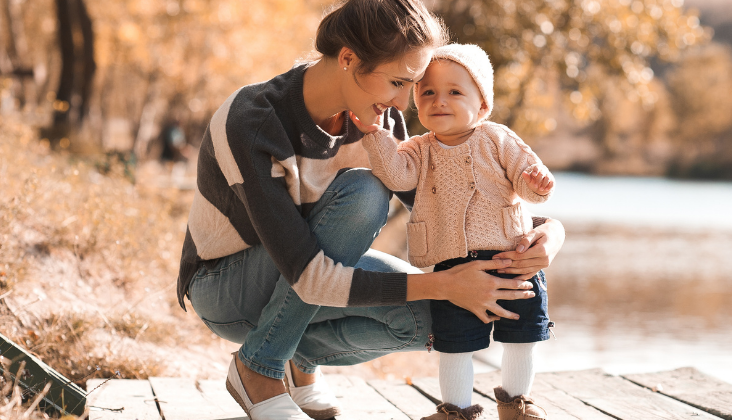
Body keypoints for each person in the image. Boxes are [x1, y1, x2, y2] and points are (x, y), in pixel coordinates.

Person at [176, 1, 566, 419]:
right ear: (348, 58)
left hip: (301, 279)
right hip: (225, 287)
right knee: (365, 193)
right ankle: (260, 366)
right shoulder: (253, 120)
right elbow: (305, 275)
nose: (403, 103)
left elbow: (459, 212)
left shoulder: (383, 125)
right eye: (400, 82)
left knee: (442, 321)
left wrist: (548, 235)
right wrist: (445, 284)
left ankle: (298, 360)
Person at [358, 44, 554, 420]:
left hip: (513, 259)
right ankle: (456, 410)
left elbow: (528, 182)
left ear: (482, 106)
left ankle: (516, 403)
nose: (439, 100)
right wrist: (376, 137)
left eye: (454, 92)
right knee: (454, 344)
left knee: (522, 335)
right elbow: (397, 175)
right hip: (453, 270)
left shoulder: (497, 139)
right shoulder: (418, 149)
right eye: (428, 92)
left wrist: (538, 184)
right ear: (417, 101)